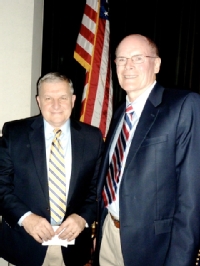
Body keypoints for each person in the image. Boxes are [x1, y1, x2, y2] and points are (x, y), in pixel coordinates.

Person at [95, 34, 200, 266]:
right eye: (121, 59)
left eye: (137, 58)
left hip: (153, 248)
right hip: (109, 235)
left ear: (157, 64)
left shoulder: (183, 105)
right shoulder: (120, 113)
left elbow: (191, 198)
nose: (128, 66)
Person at [0, 72, 104, 266]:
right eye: (48, 98)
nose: (56, 105)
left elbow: (96, 192)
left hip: (72, 246)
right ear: (39, 101)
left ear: (73, 100)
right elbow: (2, 187)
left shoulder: (92, 138)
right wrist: (26, 218)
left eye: (63, 98)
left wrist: (82, 218)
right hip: (25, 243)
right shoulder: (15, 134)